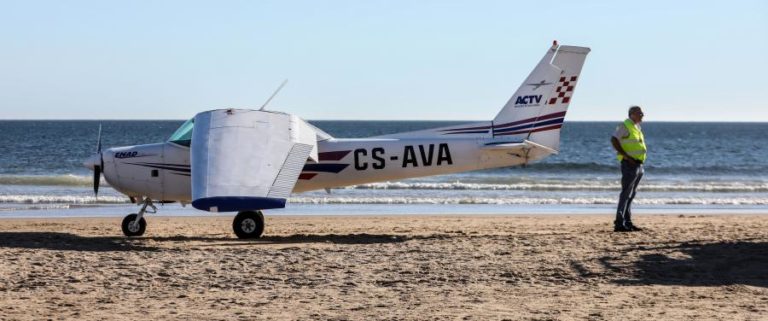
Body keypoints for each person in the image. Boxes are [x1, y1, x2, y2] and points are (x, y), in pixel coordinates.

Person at [610, 106, 647, 232]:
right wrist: (626, 156)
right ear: (632, 114)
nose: (642, 115)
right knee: (626, 194)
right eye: (640, 113)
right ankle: (619, 223)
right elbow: (614, 139)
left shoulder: (637, 127)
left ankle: (628, 222)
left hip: (639, 165)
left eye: (642, 113)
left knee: (631, 194)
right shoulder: (625, 125)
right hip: (629, 164)